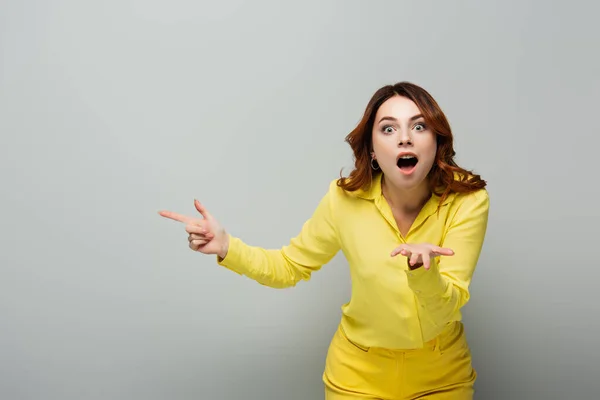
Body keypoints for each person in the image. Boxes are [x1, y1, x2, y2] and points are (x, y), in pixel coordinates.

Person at [159, 81, 490, 399]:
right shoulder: (343, 199)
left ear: (436, 141)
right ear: (373, 151)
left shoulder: (468, 200)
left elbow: (448, 306)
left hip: (440, 375)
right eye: (388, 129)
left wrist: (423, 272)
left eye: (419, 127)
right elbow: (289, 267)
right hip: (357, 374)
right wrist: (227, 246)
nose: (405, 138)